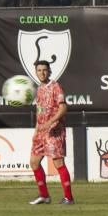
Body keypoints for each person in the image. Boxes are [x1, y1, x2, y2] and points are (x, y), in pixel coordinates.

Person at [29, 59, 74, 205]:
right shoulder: (40, 88)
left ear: (49, 72)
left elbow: (63, 108)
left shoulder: (55, 86)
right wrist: (36, 131)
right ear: (36, 72)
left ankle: (68, 198)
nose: (42, 73)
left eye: (44, 70)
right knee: (34, 162)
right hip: (41, 133)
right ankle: (44, 196)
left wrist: (49, 123)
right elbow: (40, 111)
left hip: (55, 131)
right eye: (39, 70)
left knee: (58, 163)